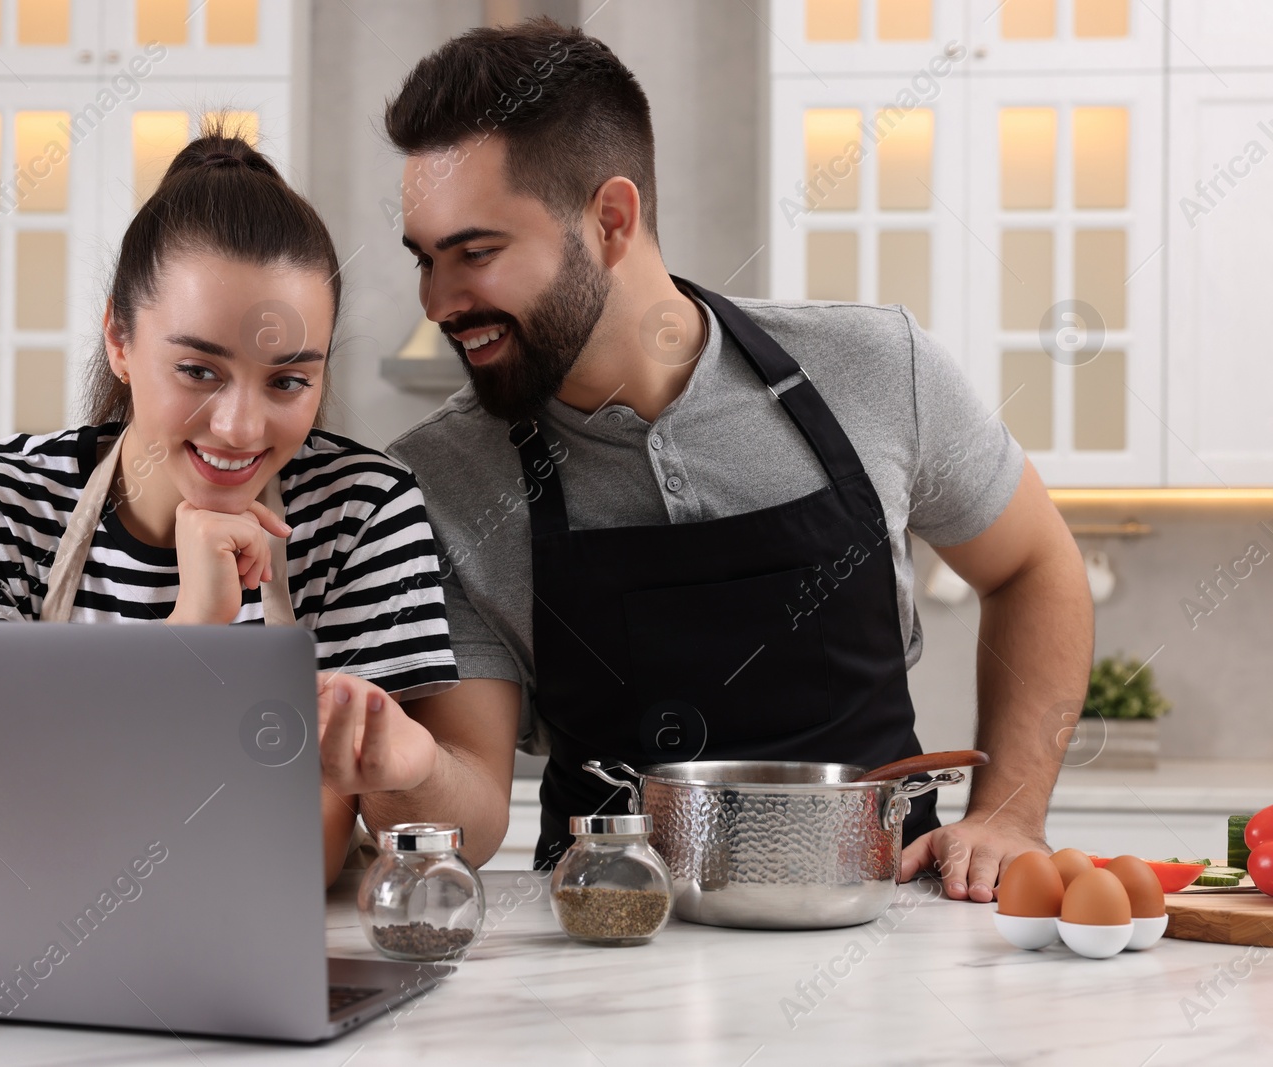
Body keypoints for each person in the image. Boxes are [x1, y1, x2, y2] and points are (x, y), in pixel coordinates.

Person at [371, 19, 1094, 898]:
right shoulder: (441, 478)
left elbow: (1034, 563)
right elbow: (473, 796)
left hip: (885, 935)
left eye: (475, 253)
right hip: (610, 959)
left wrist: (1011, 810)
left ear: (610, 219)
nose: (440, 300)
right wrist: (399, 765)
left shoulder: (872, 368)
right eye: (424, 259)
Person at [0, 129, 455, 887]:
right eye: (198, 369)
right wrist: (190, 633)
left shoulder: (362, 513)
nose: (239, 427)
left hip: (263, 955)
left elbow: (302, 851)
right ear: (119, 339)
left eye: (288, 382)